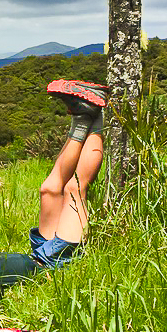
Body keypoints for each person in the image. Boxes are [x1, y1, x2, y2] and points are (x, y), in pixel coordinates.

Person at [31, 79, 109, 268]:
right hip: (48, 265)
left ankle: (82, 118)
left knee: (48, 189)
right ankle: (95, 117)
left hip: (36, 253)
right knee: (74, 189)